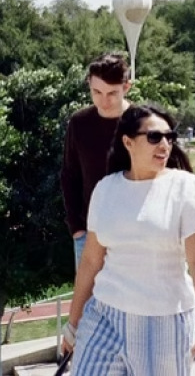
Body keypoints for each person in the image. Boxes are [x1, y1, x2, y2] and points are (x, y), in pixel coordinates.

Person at [62, 104, 195, 374]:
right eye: (154, 137)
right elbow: (91, 261)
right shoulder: (106, 189)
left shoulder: (186, 188)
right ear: (128, 141)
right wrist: (73, 322)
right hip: (104, 316)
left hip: (162, 323)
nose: (164, 144)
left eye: (169, 137)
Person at [61, 54, 132, 270]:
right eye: (96, 92)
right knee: (88, 303)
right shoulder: (79, 123)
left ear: (126, 87)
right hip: (90, 233)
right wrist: (76, 228)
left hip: (135, 234)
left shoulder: (142, 122)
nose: (104, 100)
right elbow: (69, 175)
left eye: (112, 93)